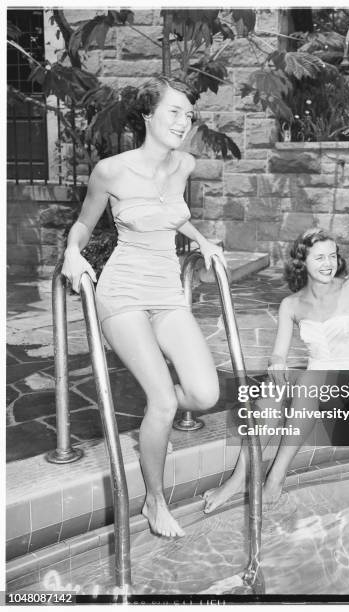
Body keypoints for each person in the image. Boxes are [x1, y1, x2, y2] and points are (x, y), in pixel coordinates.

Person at [62, 76, 226, 538]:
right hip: (124, 292)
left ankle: (152, 433)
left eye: (189, 114)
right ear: (148, 116)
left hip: (167, 291)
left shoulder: (186, 165)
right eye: (174, 111)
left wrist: (201, 240)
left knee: (204, 394)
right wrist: (73, 253)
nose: (184, 121)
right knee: (161, 400)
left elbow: (174, 214)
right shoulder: (111, 171)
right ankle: (155, 501)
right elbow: (82, 224)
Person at [203, 181, 349, 513]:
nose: (327, 263)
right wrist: (277, 363)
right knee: (272, 390)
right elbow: (279, 352)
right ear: (303, 262)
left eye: (332, 256)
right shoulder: (290, 305)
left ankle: (274, 479)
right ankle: (239, 480)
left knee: (310, 381)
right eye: (319, 257)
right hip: (320, 384)